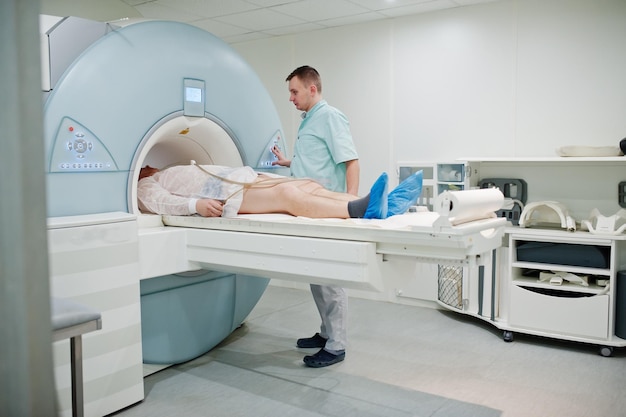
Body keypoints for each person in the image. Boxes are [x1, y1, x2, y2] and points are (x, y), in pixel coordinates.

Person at [270, 65, 361, 368]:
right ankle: (326, 333)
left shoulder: (330, 117)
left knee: (330, 281)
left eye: (294, 91)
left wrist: (349, 204)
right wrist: (289, 161)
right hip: (308, 211)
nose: (291, 98)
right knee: (316, 277)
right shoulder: (309, 121)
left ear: (312, 88)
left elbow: (351, 162)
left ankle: (336, 345)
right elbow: (314, 162)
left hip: (327, 210)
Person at [136, 162, 391, 219]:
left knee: (308, 186)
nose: (148, 164)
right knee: (288, 196)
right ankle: (356, 210)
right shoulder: (145, 184)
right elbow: (160, 203)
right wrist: (195, 206)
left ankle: (375, 204)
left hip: (244, 179)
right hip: (229, 195)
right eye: (143, 165)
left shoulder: (167, 169)